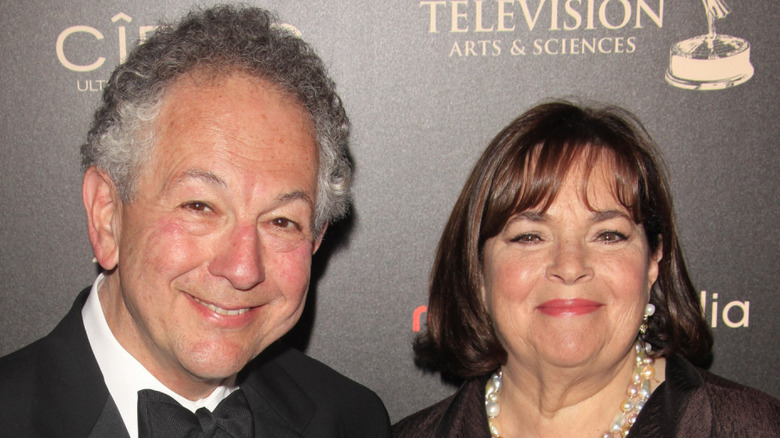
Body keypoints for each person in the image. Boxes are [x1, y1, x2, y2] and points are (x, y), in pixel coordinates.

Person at [0, 5, 391, 437]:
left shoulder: (352, 421)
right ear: (107, 215)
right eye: (200, 207)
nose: (243, 269)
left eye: (281, 221)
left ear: (317, 239)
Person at [393, 101, 780, 437]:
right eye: (530, 237)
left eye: (608, 235)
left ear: (653, 260)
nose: (570, 266)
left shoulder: (756, 427)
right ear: (478, 269)